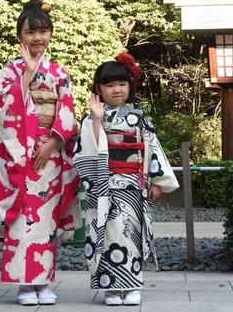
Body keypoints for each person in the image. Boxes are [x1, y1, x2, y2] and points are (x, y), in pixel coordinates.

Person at [0, 0, 81, 306]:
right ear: (20, 37)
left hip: (49, 153)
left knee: (45, 218)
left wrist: (53, 143)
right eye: (31, 32)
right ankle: (25, 283)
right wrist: (26, 76)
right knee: (21, 217)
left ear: (50, 34)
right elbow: (5, 110)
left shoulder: (58, 72)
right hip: (20, 153)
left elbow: (67, 111)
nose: (37, 38)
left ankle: (43, 280)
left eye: (43, 31)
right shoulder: (9, 70)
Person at [73, 53, 179, 306]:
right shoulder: (92, 118)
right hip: (104, 187)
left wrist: (156, 182)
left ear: (130, 86)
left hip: (133, 187)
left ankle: (131, 286)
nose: (116, 90)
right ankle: (110, 287)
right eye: (109, 85)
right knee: (108, 234)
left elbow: (153, 148)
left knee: (131, 234)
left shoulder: (138, 118)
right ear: (99, 89)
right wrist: (97, 118)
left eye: (121, 84)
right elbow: (90, 149)